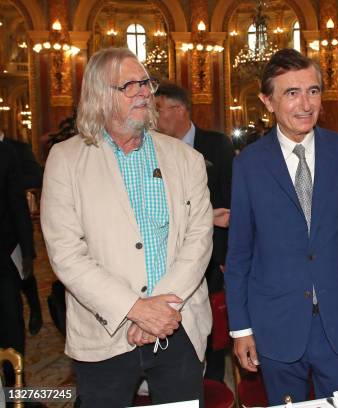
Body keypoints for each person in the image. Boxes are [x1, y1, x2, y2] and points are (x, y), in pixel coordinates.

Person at [40, 48, 214, 407]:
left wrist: (159, 312)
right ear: (100, 96)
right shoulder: (66, 160)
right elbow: (67, 255)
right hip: (105, 329)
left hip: (178, 324)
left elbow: (199, 240)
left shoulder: (186, 158)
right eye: (130, 85)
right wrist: (134, 308)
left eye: (146, 83)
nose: (144, 92)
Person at [225, 49, 338, 404]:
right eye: (291, 93)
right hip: (276, 323)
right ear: (268, 101)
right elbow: (240, 252)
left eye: (312, 91)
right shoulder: (249, 164)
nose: (305, 104)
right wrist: (241, 328)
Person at [155, 81, 233, 382]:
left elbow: (231, 203)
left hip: (213, 257)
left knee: (211, 327)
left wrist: (228, 258)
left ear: (179, 109)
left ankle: (211, 385)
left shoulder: (216, 144)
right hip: (169, 255)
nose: (153, 117)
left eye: (158, 110)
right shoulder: (153, 148)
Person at [0, 130, 44, 335]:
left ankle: (35, 309)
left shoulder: (14, 149)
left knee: (24, 279)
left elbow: (36, 176)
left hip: (11, 239)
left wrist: (13, 181)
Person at [0, 140, 33, 386]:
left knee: (11, 325)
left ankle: (15, 391)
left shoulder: (6, 152)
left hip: (3, 256)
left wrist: (27, 252)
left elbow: (17, 204)